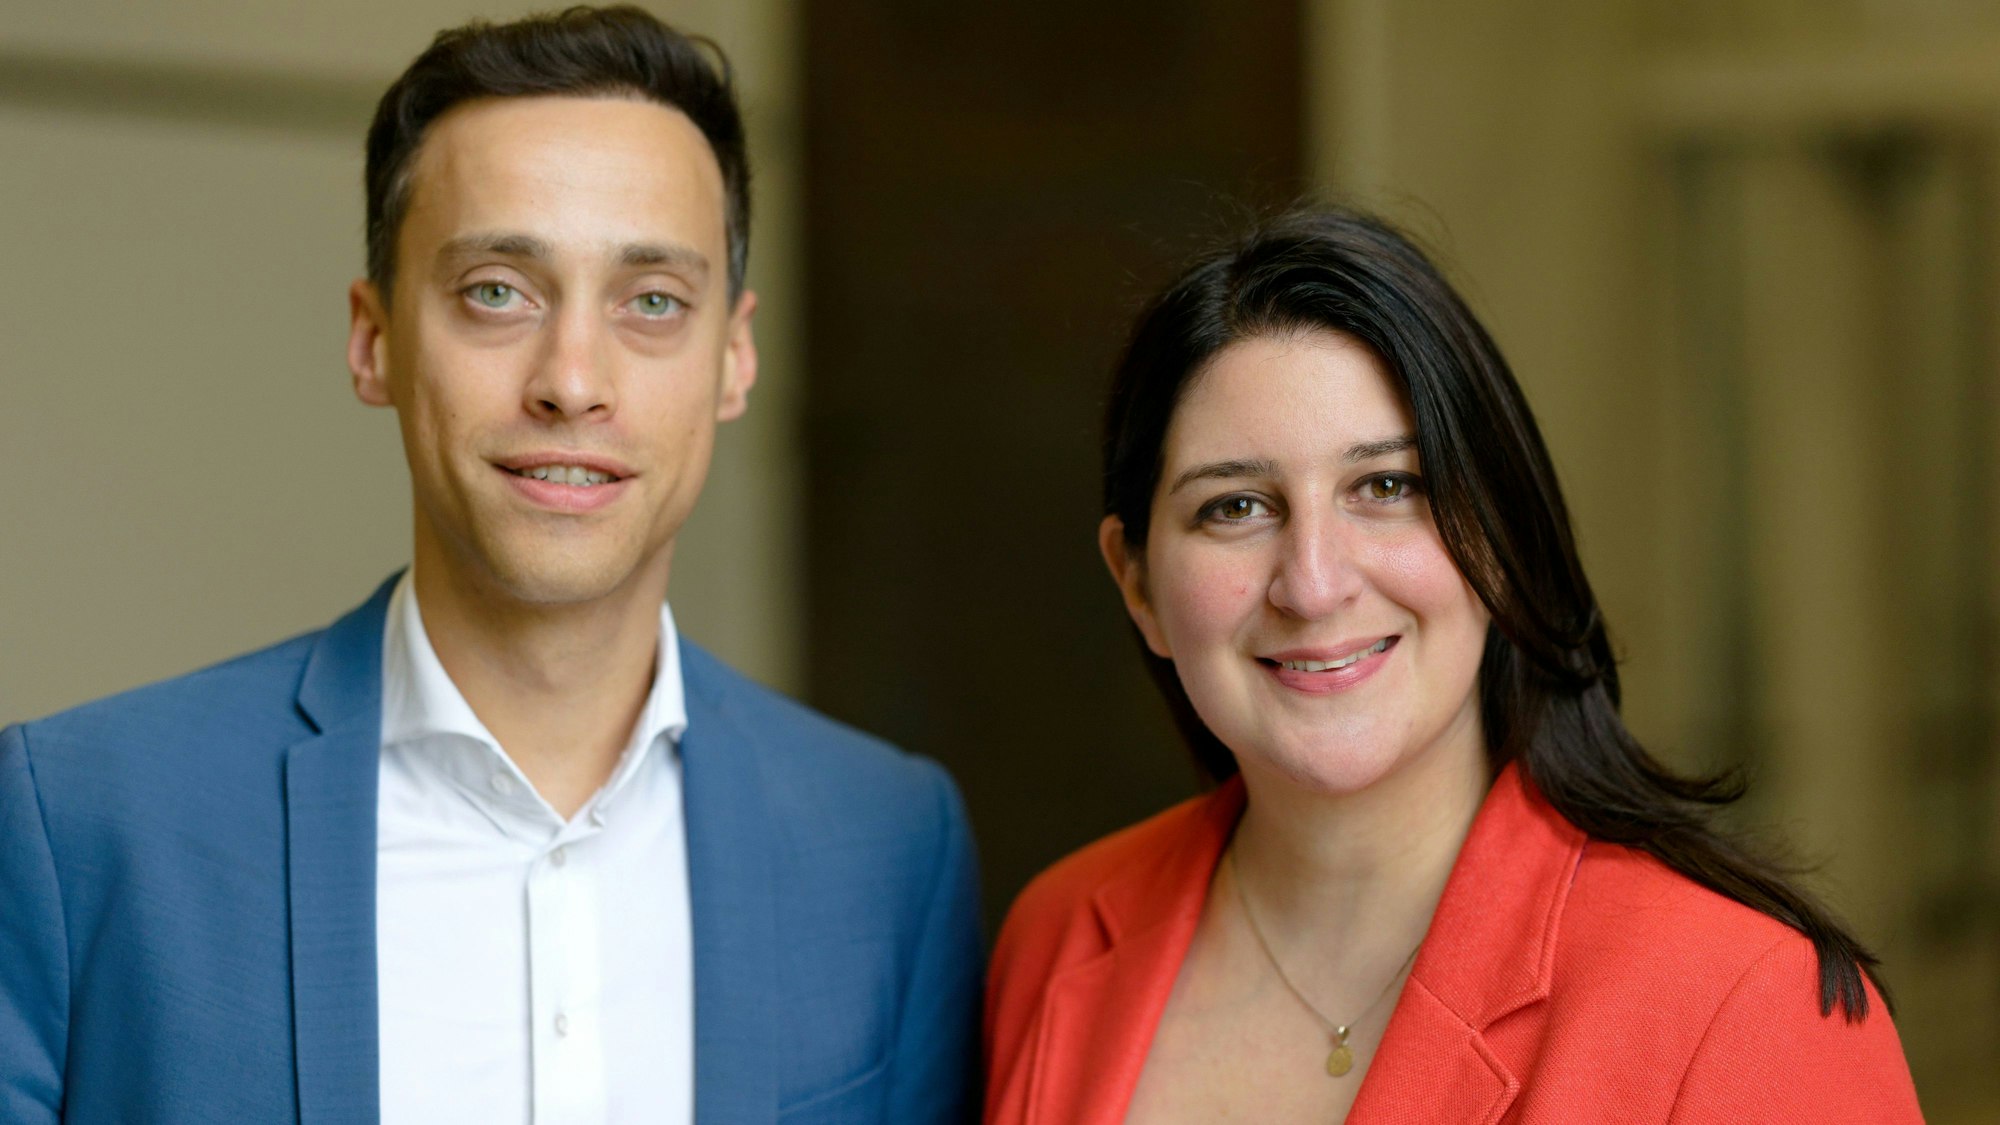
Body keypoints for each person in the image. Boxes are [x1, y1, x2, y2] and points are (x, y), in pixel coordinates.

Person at [0, 8, 980, 1124]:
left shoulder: (888, 846)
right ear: (374, 341)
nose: (571, 379)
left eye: (651, 301)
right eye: (496, 291)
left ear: (733, 355)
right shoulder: (78, 825)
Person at [983, 208, 1923, 1123]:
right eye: (1235, 506)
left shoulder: (1746, 1004)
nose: (1312, 584)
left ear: (1502, 535)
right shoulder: (1055, 937)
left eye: (1388, 487)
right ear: (1137, 582)